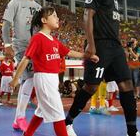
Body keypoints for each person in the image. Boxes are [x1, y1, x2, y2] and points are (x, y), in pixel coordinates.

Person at [65, 0, 140, 136]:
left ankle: (133, 131)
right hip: (100, 45)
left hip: (115, 47)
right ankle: (67, 122)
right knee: (91, 87)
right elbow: (87, 16)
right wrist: (91, 44)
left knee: (127, 85)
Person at [10, 7, 99, 136]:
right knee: (58, 114)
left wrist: (88, 55)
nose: (58, 18)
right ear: (44, 20)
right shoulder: (38, 38)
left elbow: (69, 52)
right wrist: (15, 79)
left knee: (41, 111)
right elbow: (25, 58)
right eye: (54, 16)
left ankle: (27, 134)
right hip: (43, 78)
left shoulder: (54, 40)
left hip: (51, 79)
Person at [2, 0, 41, 131]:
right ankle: (20, 117)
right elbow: (6, 25)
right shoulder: (15, 2)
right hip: (21, 45)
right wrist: (7, 44)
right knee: (30, 78)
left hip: (36, 45)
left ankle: (18, 119)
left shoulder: (38, 7)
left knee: (30, 79)